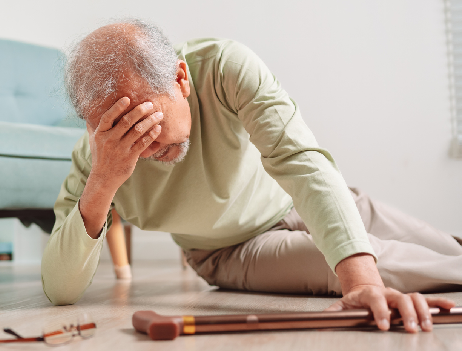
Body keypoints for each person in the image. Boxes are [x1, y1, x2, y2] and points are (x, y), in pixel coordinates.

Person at [40, 19, 462, 333]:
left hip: (300, 198)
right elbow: (60, 288)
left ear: (181, 79)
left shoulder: (224, 67)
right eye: (118, 130)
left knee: (444, 247)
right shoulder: (97, 156)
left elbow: (301, 161)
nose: (142, 148)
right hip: (231, 250)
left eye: (147, 122)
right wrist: (103, 181)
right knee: (382, 264)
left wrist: (361, 274)